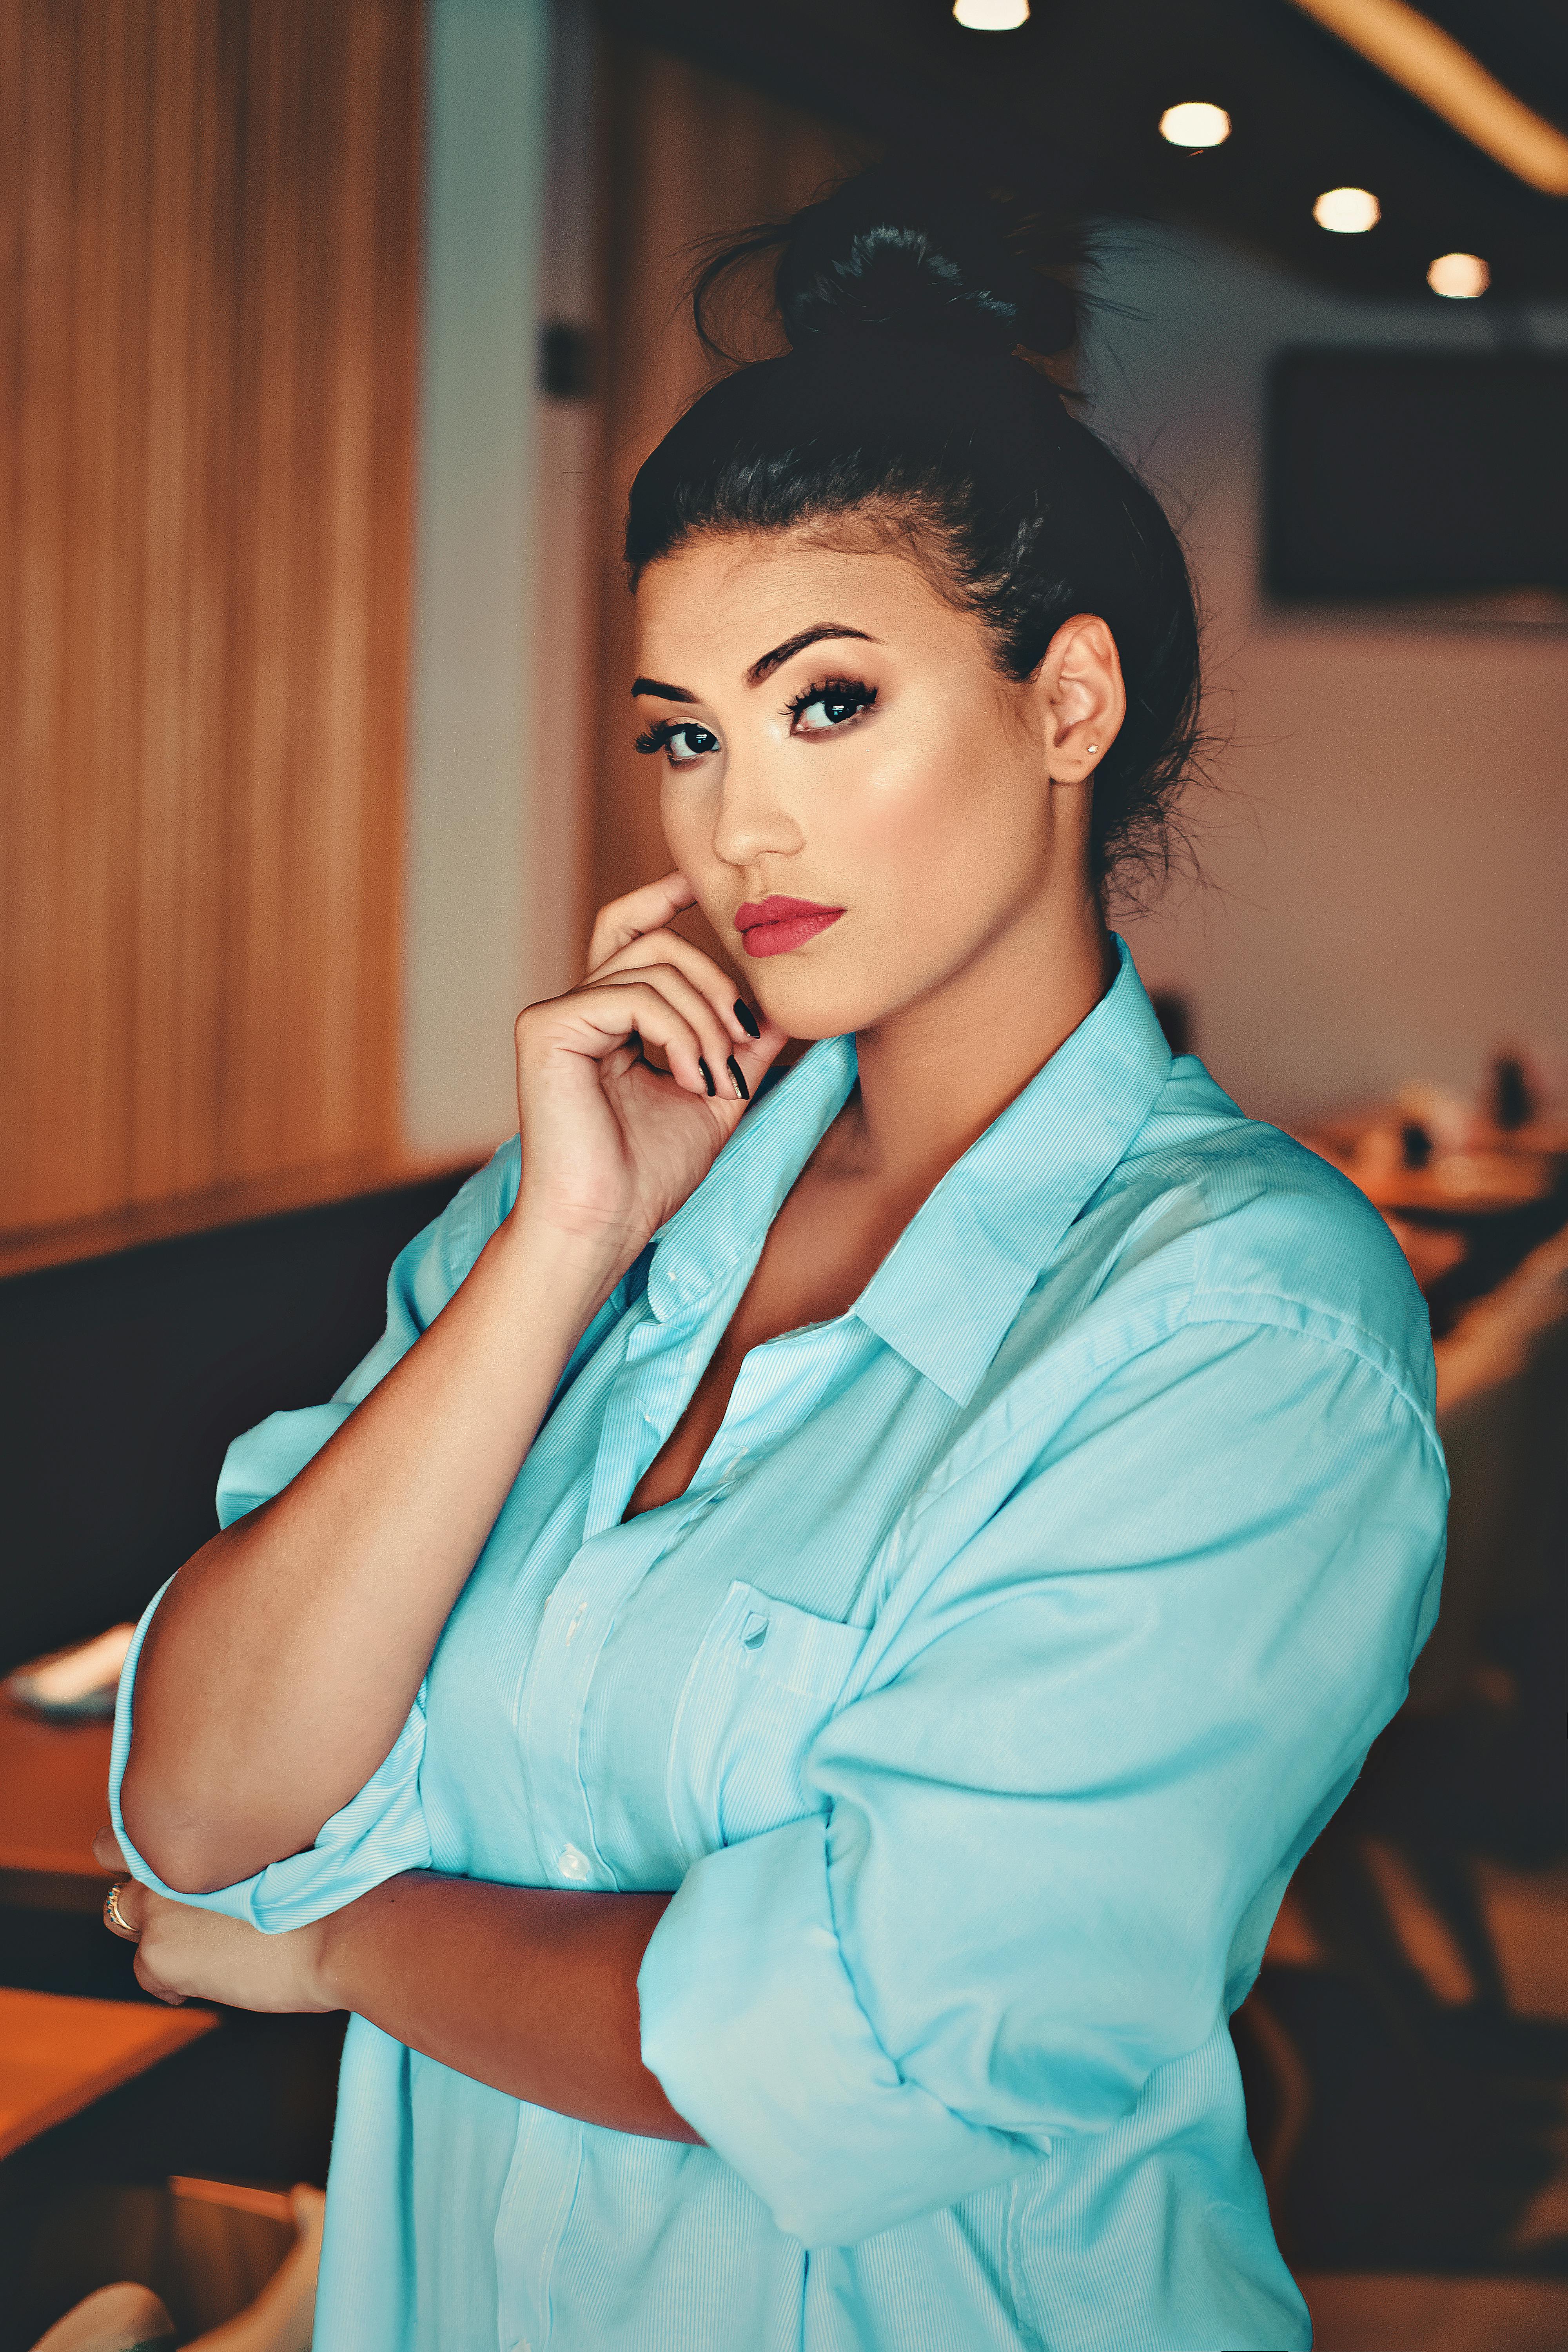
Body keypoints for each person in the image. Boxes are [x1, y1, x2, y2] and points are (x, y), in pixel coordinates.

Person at [100, 167, 1448, 2352]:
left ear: (1067, 705)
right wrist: (560, 1250)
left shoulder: (1244, 1332)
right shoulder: (602, 1211)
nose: (739, 827)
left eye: (828, 705)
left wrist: (345, 1946)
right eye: (683, 736)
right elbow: (199, 1805)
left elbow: (871, 2034)